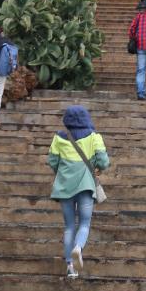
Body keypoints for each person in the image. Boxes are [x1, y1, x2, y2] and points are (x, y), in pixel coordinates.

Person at [47, 104, 110, 280]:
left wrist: (62, 173)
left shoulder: (59, 138)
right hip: (85, 186)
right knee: (84, 223)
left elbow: (52, 161)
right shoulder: (94, 137)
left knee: (69, 227)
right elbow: (104, 162)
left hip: (64, 187)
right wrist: (96, 168)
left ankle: (70, 266)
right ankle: (78, 248)